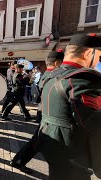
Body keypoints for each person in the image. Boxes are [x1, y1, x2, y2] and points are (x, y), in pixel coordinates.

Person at [37, 33, 101, 179]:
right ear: (89, 53)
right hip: (74, 157)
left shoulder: (52, 75)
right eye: (99, 56)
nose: (98, 61)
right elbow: (94, 124)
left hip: (53, 147)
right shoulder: (82, 80)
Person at [10, 49, 64, 174]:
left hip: (45, 112)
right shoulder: (54, 75)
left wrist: (28, 78)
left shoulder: (48, 74)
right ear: (57, 63)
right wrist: (27, 78)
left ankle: (18, 161)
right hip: (48, 113)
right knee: (38, 141)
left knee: (38, 141)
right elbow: (24, 84)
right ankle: (18, 161)